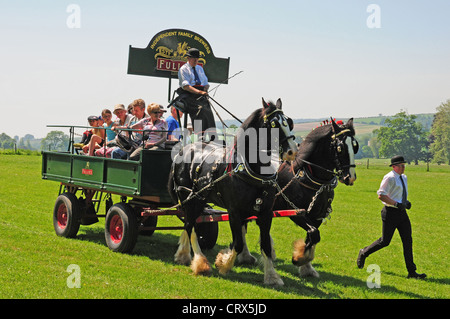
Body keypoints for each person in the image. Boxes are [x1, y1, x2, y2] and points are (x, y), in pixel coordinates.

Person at [357, 155, 426, 279]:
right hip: (390, 213)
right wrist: (396, 204)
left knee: (408, 241)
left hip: (402, 213)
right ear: (394, 167)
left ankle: (412, 272)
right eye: (401, 165)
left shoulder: (403, 177)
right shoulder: (389, 177)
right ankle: (364, 252)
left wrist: (405, 202)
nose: (403, 167)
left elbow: (397, 194)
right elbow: (381, 195)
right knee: (385, 241)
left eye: (404, 165)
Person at [177, 48, 216, 139]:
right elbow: (186, 86)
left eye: (197, 58)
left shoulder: (200, 68)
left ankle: (212, 136)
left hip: (201, 94)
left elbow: (205, 83)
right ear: (188, 58)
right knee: (200, 109)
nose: (196, 60)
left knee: (208, 110)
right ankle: (200, 135)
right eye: (194, 58)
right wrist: (199, 92)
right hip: (188, 94)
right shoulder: (183, 69)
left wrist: (205, 90)